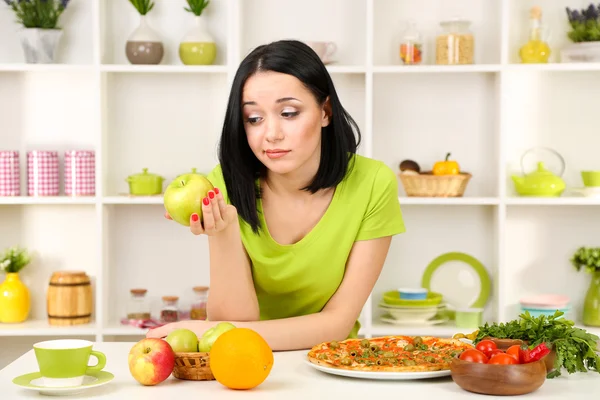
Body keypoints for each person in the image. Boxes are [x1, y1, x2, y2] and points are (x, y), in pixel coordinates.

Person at [147, 39, 405, 351]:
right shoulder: (222, 185)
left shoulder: (373, 183)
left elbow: (337, 323)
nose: (271, 134)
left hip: (332, 363)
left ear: (325, 112)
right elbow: (235, 320)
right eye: (254, 118)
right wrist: (224, 231)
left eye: (288, 113)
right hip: (241, 360)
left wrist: (205, 331)